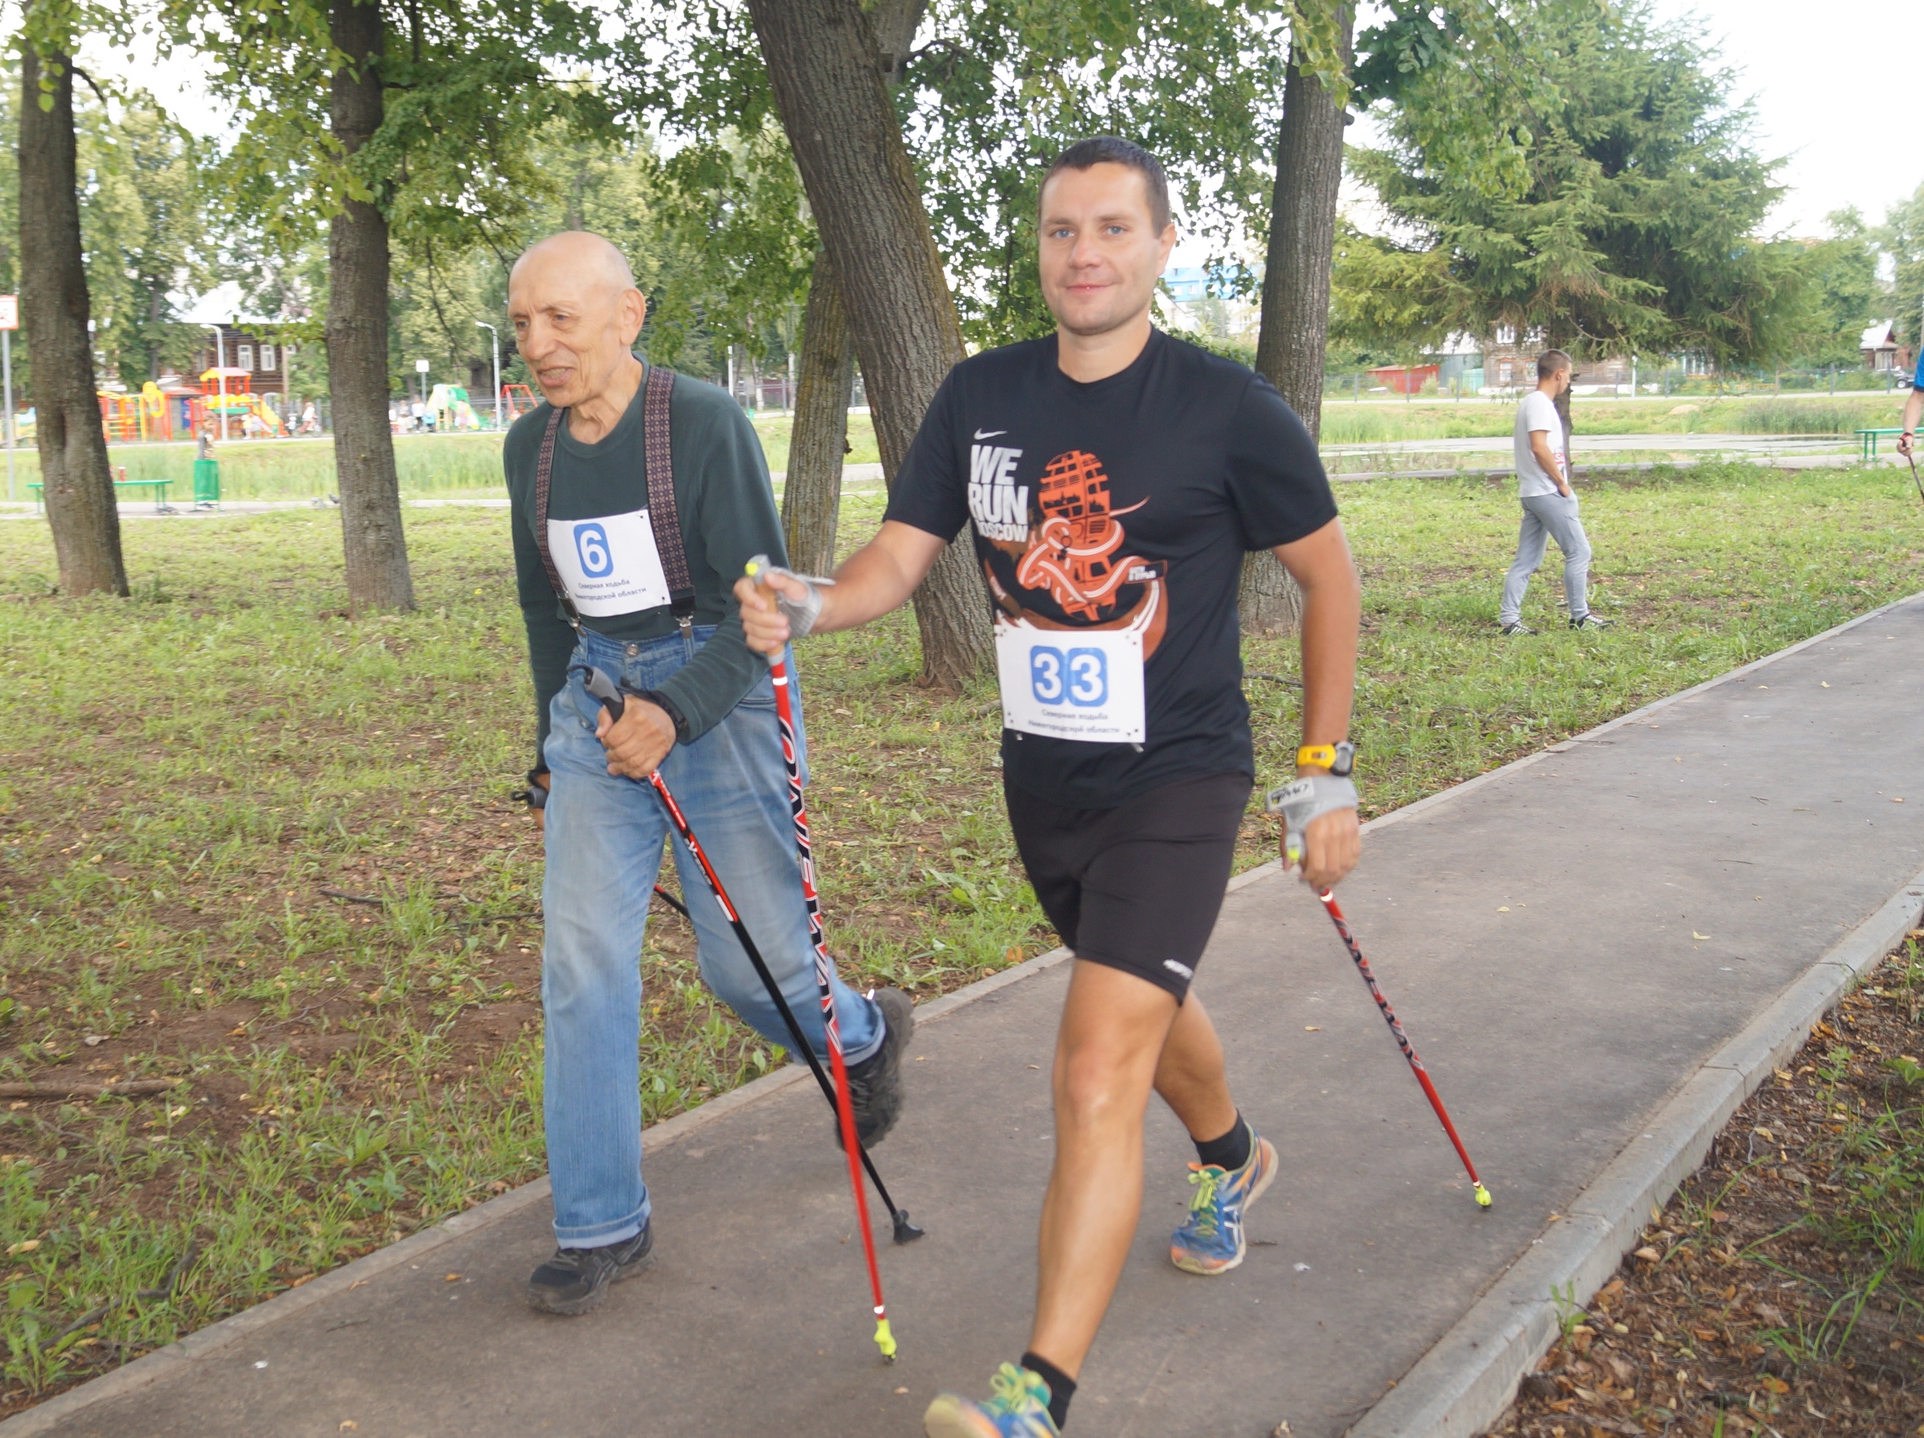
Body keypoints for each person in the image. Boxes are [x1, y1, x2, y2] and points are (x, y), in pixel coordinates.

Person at [736, 138, 1362, 1438]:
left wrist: (1324, 770)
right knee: (1141, 1004)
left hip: (1181, 777)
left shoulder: (1226, 408)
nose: (1085, 253)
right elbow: (900, 557)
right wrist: (813, 601)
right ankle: (1234, 1156)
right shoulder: (982, 397)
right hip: (1046, 783)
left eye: (1114, 228)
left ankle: (1038, 1392)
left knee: (1091, 1066)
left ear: (1163, 245)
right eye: (1063, 230)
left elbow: (1329, 579)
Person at [507, 229, 913, 1317]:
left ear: (626, 315)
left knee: (751, 968)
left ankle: (862, 1036)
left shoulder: (699, 422)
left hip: (718, 690)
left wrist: (673, 712)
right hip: (597, 704)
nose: (538, 345)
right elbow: (545, 610)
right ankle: (601, 1223)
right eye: (523, 323)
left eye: (560, 319)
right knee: (582, 964)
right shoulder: (528, 449)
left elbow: (761, 610)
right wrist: (550, 748)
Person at [1496, 349, 1607, 634]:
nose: (1568, 381)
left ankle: (1509, 621)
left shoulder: (1533, 403)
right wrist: (1561, 483)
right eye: (1568, 375)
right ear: (1559, 374)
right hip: (1546, 491)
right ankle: (1580, 617)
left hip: (1533, 492)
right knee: (1579, 551)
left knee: (1527, 560)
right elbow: (1539, 446)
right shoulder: (1540, 404)